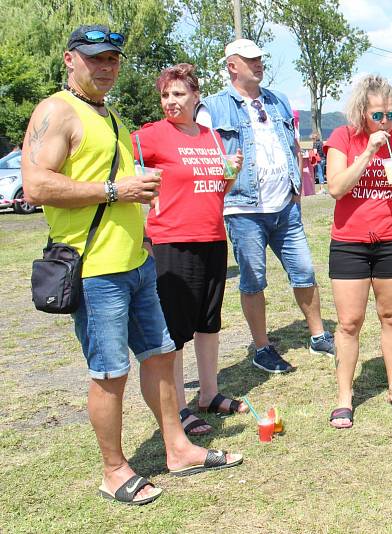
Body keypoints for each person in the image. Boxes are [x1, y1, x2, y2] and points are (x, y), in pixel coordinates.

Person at [21, 25, 242, 506]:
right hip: (96, 269)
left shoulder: (109, 115)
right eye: (95, 58)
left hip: (137, 262)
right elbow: (35, 186)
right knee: (109, 371)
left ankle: (178, 448)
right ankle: (113, 470)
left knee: (161, 357)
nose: (106, 67)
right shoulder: (57, 111)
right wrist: (115, 191)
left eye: (113, 59)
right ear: (70, 60)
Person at [196, 39, 335, 374]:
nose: (258, 64)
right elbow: (200, 153)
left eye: (260, 59)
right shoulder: (212, 107)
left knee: (304, 270)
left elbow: (293, 146)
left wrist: (299, 189)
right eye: (250, 60)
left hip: (284, 205)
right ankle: (262, 347)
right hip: (243, 209)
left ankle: (318, 336)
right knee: (254, 279)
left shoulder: (278, 101)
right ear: (232, 66)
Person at [132, 63, 247, 437]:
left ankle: (209, 394)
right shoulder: (151, 136)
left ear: (196, 96)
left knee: (207, 322)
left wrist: (230, 174)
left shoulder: (212, 137)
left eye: (178, 94)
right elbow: (118, 156)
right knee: (176, 330)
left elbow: (217, 191)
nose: (171, 101)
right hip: (171, 242)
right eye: (165, 95)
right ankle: (179, 407)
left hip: (212, 237)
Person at [324, 74, 392, 429]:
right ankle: (344, 398)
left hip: (390, 240)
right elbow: (336, 187)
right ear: (362, 112)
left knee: (391, 317)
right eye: (377, 115)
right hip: (350, 243)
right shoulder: (343, 138)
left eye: (389, 115)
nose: (385, 122)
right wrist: (367, 152)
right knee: (349, 323)